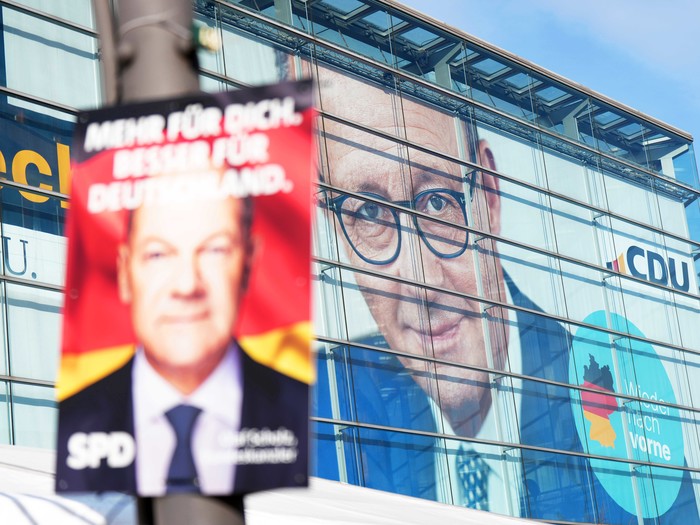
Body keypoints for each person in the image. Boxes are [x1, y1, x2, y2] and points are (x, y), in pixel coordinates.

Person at [315, 64, 700, 523]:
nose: (423, 284)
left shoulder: (620, 410)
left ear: (490, 195)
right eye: (370, 212)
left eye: (438, 202)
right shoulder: (322, 405)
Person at [56, 177, 308, 496]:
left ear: (248, 265)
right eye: (159, 255)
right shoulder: (76, 424)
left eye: (214, 250)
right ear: (124, 272)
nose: (187, 285)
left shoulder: (297, 414)